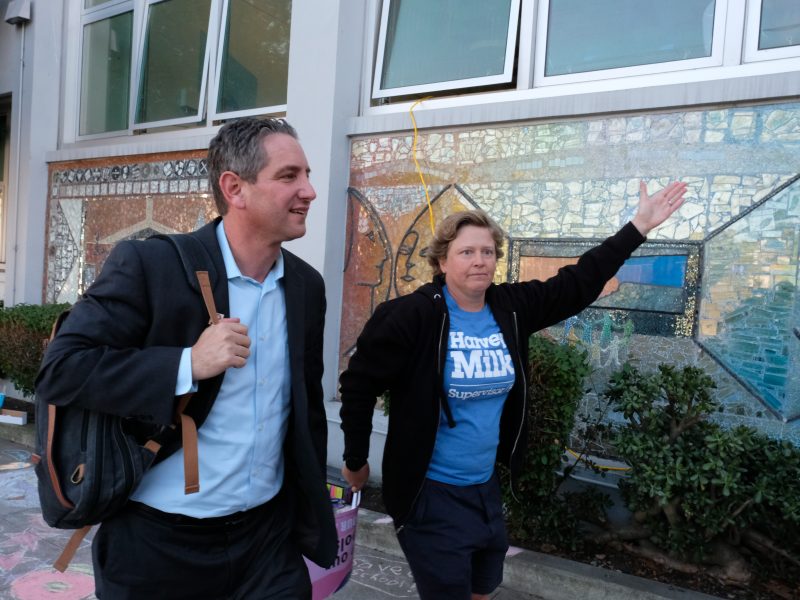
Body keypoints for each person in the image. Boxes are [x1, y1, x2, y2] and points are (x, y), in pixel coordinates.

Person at [339, 180, 687, 600]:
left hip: (485, 487)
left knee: (483, 587)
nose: (479, 261)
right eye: (467, 252)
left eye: (488, 252)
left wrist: (638, 227)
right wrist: (356, 459)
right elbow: (358, 386)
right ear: (442, 260)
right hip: (429, 491)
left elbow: (579, 281)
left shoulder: (510, 309)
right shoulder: (409, 316)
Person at [36, 117, 337, 599]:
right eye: (289, 176)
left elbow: (304, 410)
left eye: (307, 175)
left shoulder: (305, 286)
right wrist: (186, 365)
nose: (309, 191)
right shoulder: (152, 265)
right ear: (234, 188)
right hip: (159, 545)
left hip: (267, 543)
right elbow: (62, 369)